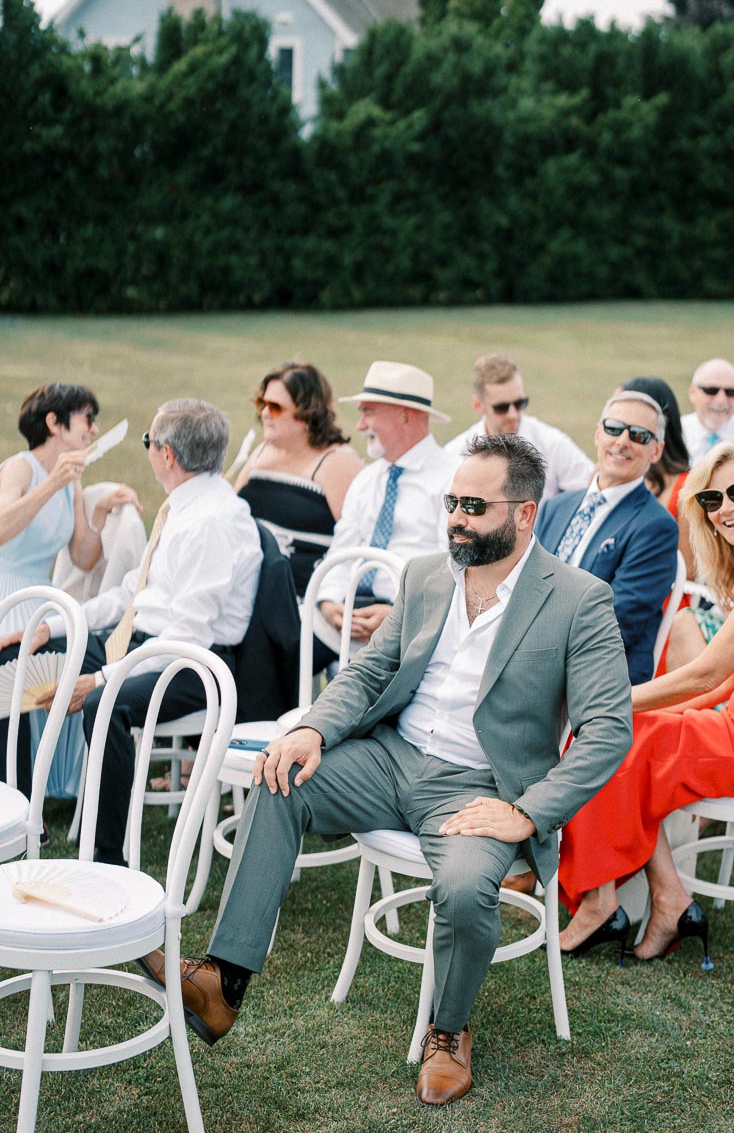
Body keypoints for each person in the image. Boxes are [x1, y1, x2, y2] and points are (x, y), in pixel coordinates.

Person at [138, 434, 633, 1105]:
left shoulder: (579, 598)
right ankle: (223, 982)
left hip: (480, 786)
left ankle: (449, 1031)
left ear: (523, 515)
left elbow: (608, 731)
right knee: (280, 777)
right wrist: (312, 726)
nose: (455, 517)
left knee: (461, 891)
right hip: (390, 756)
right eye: (451, 501)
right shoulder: (427, 574)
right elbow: (372, 669)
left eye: (474, 506)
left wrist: (525, 812)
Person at [557, 441, 734, 963]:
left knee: (618, 736)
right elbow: (725, 685)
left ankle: (602, 901)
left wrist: (611, 702)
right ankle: (663, 899)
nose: (727, 508)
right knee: (627, 735)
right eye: (713, 500)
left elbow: (707, 673)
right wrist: (632, 711)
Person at [2, 400, 262, 863]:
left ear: (167, 455)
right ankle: (19, 811)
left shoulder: (213, 520)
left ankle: (107, 856)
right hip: (142, 642)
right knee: (20, 657)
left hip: (194, 666)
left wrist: (104, 678)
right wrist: (50, 627)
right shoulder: (185, 504)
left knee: (105, 703)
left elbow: (188, 635)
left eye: (149, 442)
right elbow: (129, 594)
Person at [0, 383, 139, 786]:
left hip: (40, 598)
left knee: (61, 655)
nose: (94, 430)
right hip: (7, 589)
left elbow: (83, 556)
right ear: (54, 423)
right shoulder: (21, 467)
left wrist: (97, 514)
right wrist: (50, 483)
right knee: (15, 668)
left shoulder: (72, 481)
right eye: (87, 419)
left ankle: (42, 786)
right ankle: (16, 795)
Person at [535, 391, 679, 685]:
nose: (622, 441)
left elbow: (617, 620)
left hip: (594, 673)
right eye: (614, 428)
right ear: (598, 434)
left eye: (639, 435)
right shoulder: (554, 507)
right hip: (531, 655)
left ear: (656, 451)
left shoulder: (656, 527)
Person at [315, 361, 452, 650]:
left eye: (368, 412)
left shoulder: (451, 480)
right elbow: (342, 549)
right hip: (348, 618)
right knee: (282, 638)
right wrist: (329, 603)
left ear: (405, 416)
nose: (360, 425)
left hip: (416, 627)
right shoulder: (367, 479)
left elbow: (454, 568)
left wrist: (399, 615)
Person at [234, 361, 362, 599]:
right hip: (246, 590)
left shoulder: (337, 463)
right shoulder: (262, 451)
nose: (264, 413)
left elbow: (357, 543)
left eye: (275, 407)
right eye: (263, 404)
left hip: (301, 601)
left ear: (308, 414)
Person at [444, 354, 593, 500]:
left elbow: (591, 490)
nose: (513, 415)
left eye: (519, 403)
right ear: (478, 405)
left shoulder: (552, 444)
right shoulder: (455, 455)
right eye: (501, 407)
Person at [620, 374, 693, 578]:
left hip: (661, 594)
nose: (621, 439)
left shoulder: (686, 489)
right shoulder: (605, 474)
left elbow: (688, 569)